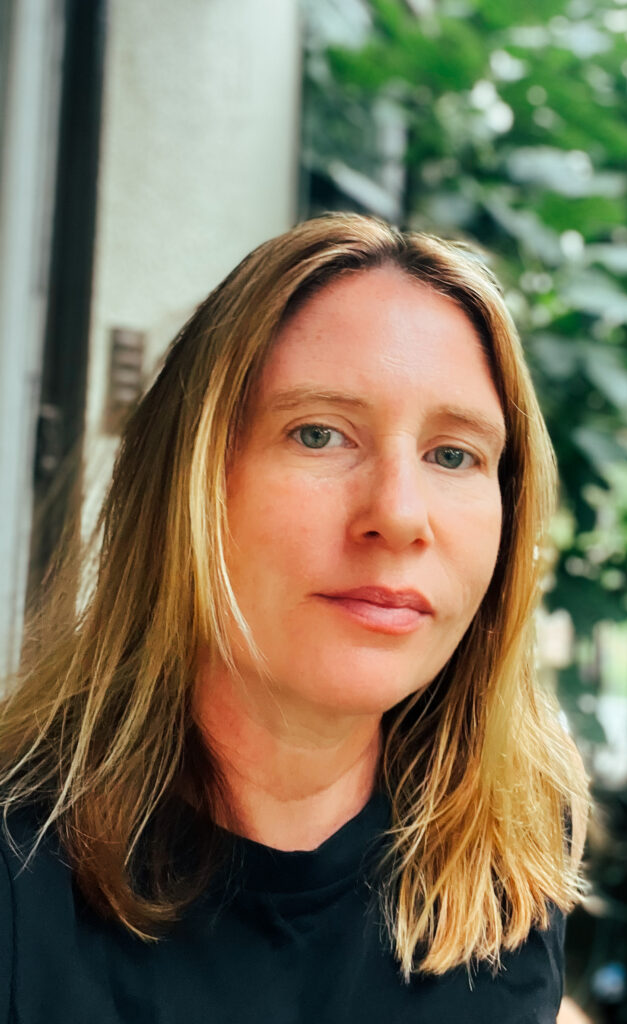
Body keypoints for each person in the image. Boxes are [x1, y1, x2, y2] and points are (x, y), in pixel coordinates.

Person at [0, 213, 589, 1023]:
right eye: (319, 434)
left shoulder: (506, 857)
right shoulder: (21, 879)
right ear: (190, 483)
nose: (399, 514)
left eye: (453, 454)